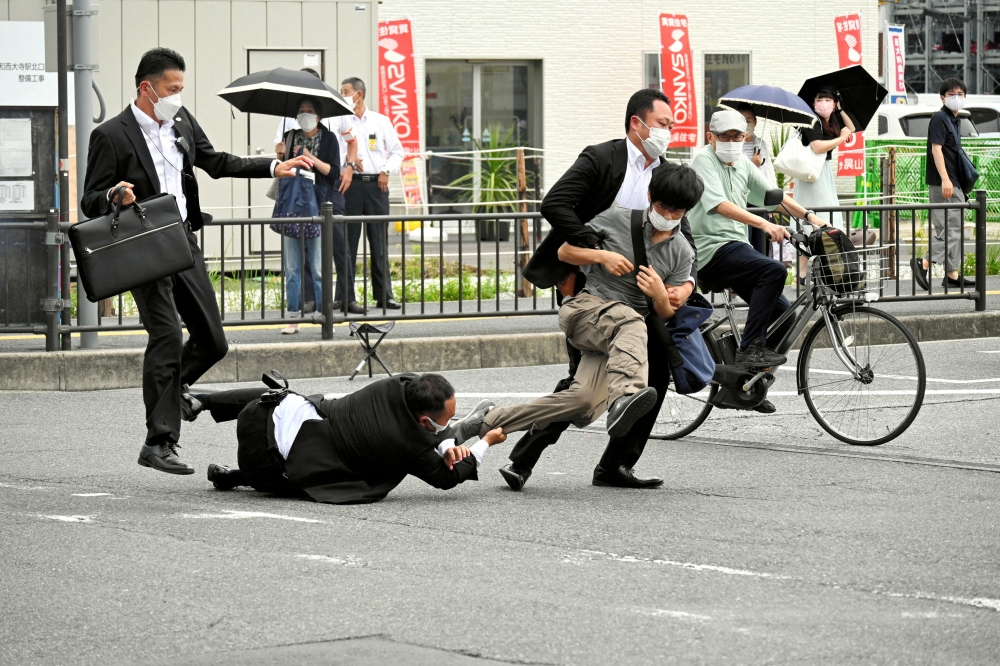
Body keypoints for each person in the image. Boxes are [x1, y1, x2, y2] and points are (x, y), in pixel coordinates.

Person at [80, 48, 311, 476]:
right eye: (172, 89)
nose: (178, 97)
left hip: (182, 240)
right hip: (142, 244)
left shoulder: (182, 123)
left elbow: (216, 162)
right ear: (146, 88)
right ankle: (159, 441)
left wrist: (273, 166)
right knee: (166, 335)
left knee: (213, 341)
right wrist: (115, 195)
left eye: (181, 89)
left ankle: (174, 391)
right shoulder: (111, 135)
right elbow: (89, 199)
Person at [501, 89, 698, 492]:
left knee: (657, 372)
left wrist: (686, 286)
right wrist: (596, 249)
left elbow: (684, 234)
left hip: (643, 296)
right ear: (636, 123)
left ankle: (616, 464)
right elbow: (555, 203)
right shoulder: (603, 158)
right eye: (663, 124)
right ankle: (524, 459)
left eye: (671, 126)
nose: (668, 132)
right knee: (582, 382)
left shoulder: (666, 173)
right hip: (593, 288)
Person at [480, 164, 701, 450]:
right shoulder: (617, 218)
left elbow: (666, 315)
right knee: (632, 321)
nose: (669, 216)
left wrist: (660, 295)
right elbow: (564, 252)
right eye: (663, 207)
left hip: (619, 336)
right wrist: (603, 257)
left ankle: (489, 419)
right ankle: (626, 396)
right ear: (649, 196)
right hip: (586, 309)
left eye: (678, 213)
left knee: (581, 402)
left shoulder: (682, 251)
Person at [689, 109, 828, 414]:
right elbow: (719, 205)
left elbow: (771, 195)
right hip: (710, 251)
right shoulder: (703, 160)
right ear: (711, 137)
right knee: (773, 270)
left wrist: (810, 217)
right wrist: (764, 224)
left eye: (737, 136)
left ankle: (747, 386)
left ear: (745, 138)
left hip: (735, 249)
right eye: (724, 136)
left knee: (785, 315)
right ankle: (750, 350)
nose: (731, 141)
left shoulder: (740, 163)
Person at [196, 374, 504, 504]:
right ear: (424, 421)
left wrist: (446, 442)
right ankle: (240, 477)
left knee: (289, 398)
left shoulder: (396, 385)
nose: (448, 424)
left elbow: (417, 381)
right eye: (446, 420)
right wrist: (487, 441)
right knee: (313, 475)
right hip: (265, 463)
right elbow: (448, 480)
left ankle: (204, 401)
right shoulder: (408, 446)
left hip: (258, 413)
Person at [273, 69, 360, 314]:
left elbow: (341, 157)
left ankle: (341, 301)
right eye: (302, 111)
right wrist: (280, 155)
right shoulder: (289, 129)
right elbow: (282, 166)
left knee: (335, 248)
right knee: (297, 258)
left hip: (325, 197)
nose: (305, 115)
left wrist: (348, 167)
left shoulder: (333, 124)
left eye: (310, 112)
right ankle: (301, 305)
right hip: (296, 200)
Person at [326, 77, 405, 312]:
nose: (342, 94)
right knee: (346, 243)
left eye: (346, 91)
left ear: (359, 94)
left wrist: (386, 171)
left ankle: (384, 296)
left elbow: (397, 152)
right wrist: (348, 160)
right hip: (347, 184)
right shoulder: (338, 121)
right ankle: (344, 296)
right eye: (341, 91)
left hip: (376, 185)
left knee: (379, 242)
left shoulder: (380, 121)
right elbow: (332, 151)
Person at [912, 78, 976, 290]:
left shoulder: (954, 119)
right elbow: (936, 149)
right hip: (945, 183)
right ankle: (924, 262)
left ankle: (952, 275)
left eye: (960, 94)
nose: (956, 98)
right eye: (951, 94)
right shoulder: (940, 118)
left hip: (951, 182)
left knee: (950, 228)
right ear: (942, 97)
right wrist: (946, 179)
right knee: (953, 230)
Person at [795, 85, 856, 228]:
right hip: (811, 171)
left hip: (822, 169)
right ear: (813, 103)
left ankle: (825, 243)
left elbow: (851, 128)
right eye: (820, 99)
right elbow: (818, 147)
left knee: (826, 209)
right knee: (816, 210)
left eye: (828, 100)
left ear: (834, 104)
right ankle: (811, 244)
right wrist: (841, 138)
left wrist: (840, 109)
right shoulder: (812, 121)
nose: (824, 103)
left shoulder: (832, 122)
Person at [735, 103, 780, 257]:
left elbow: (769, 173)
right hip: (741, 200)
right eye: (742, 121)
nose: (746, 124)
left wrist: (772, 201)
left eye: (749, 121)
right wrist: (752, 164)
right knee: (745, 239)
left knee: (760, 240)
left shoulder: (761, 144)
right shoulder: (733, 145)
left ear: (755, 122)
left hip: (760, 199)